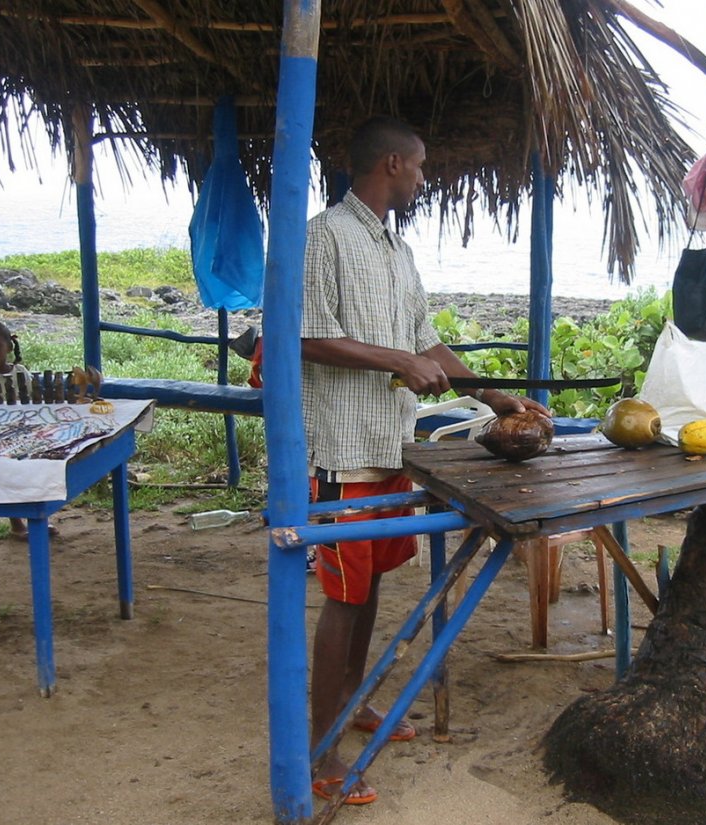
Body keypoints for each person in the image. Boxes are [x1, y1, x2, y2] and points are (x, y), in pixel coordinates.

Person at [300, 115, 549, 805]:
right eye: (419, 165)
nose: (423, 176)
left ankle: (354, 702)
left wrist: (501, 400)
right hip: (343, 449)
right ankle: (320, 754)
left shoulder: (396, 251)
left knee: (372, 582)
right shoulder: (323, 237)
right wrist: (396, 361)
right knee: (343, 601)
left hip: (389, 445)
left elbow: (429, 347)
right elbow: (308, 337)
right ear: (390, 164)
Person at [0, 319, 58, 538]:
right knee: (7, 474)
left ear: (9, 348)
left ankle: (38, 518)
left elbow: (31, 399)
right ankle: (16, 524)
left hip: (24, 432)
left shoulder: (20, 371)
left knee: (32, 473)